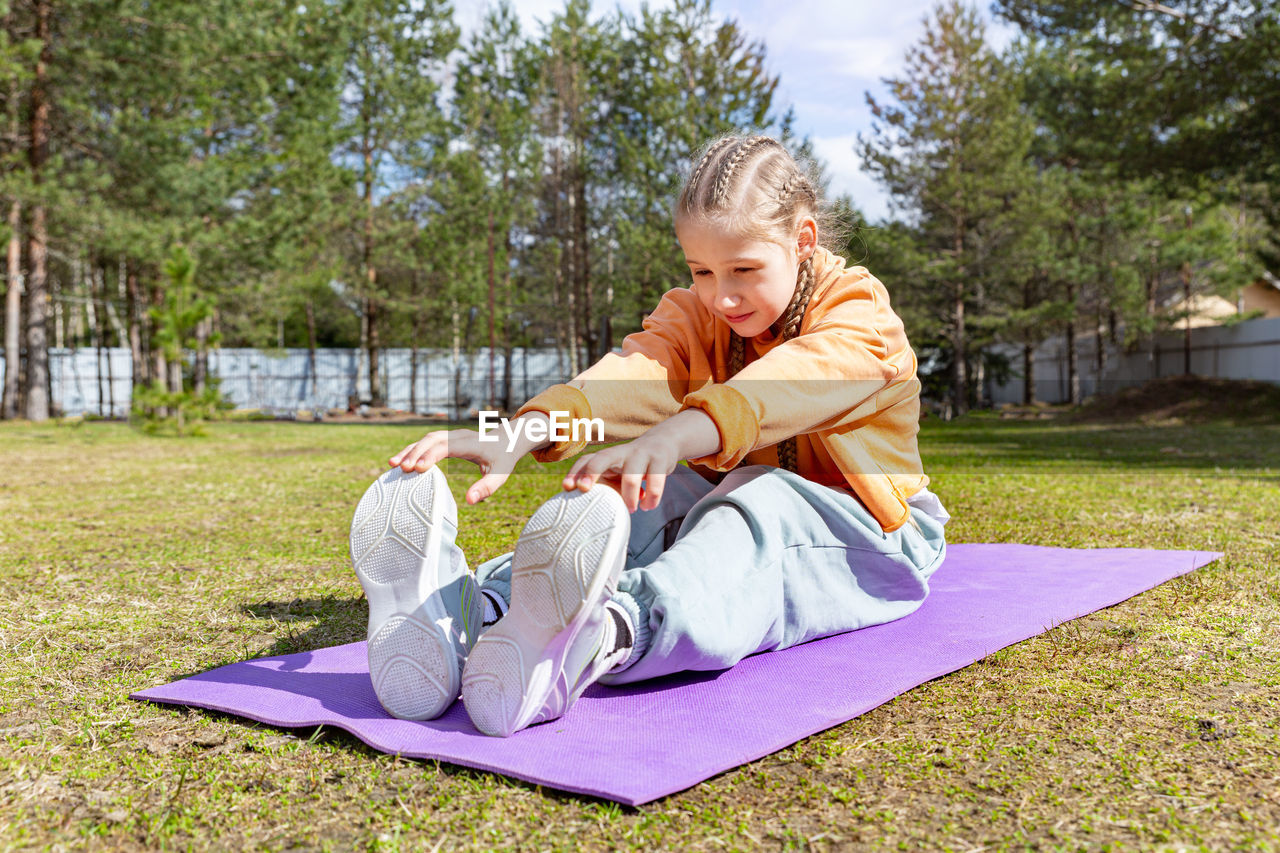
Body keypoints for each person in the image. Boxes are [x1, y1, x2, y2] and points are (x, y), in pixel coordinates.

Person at [348, 134, 950, 737]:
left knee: (760, 499)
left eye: (744, 269)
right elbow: (634, 377)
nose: (723, 295)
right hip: (732, 490)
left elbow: (793, 383)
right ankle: (477, 611)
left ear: (803, 241)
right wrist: (518, 431)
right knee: (624, 493)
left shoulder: (861, 314)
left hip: (879, 534)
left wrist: (680, 433)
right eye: (702, 271)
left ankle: (604, 632)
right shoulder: (697, 314)